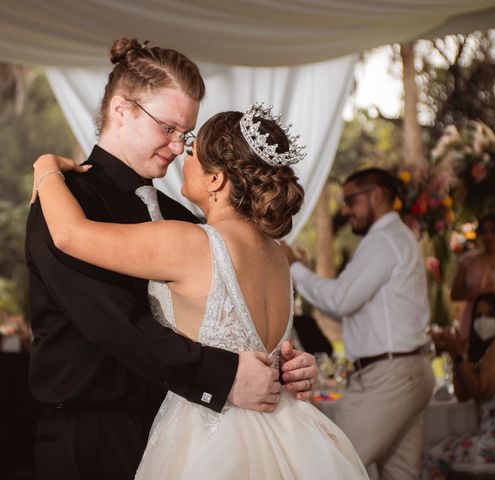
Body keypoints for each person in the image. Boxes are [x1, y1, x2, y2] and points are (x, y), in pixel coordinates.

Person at [25, 38, 318, 480]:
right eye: (168, 128)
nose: (180, 145)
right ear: (121, 110)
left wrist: (283, 365)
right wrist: (224, 378)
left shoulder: (187, 219)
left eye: (187, 133)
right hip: (93, 437)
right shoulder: (64, 202)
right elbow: (115, 325)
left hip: (184, 428)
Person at [283, 167, 436, 480]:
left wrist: (296, 269)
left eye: (351, 200)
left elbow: (340, 300)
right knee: (400, 475)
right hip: (407, 372)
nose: (346, 209)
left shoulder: (385, 240)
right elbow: (347, 311)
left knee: (331, 464)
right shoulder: (395, 239)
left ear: (376, 195)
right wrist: (308, 277)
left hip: (390, 377)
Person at [422, 292, 495, 479]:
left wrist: (459, 354)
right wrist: (456, 355)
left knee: (433, 456)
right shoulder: (487, 351)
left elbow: (481, 391)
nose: (483, 321)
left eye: (490, 315)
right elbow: (463, 395)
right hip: (493, 438)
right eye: (478, 316)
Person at [450, 213, 495, 341]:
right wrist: (477, 289)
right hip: (474, 322)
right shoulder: (468, 261)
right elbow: (454, 294)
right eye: (484, 232)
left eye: (493, 231)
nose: (488, 236)